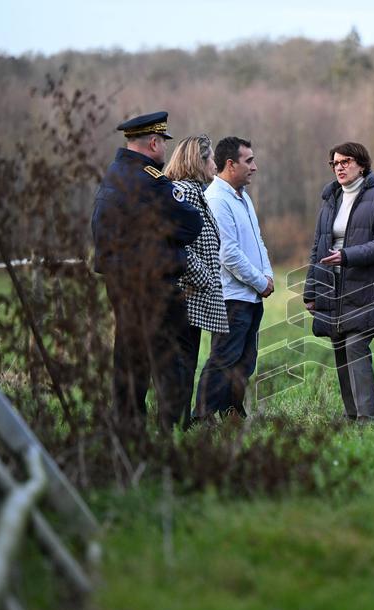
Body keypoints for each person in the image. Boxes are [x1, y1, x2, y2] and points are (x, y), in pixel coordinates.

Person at [90, 111, 203, 438]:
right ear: (153, 142)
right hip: (153, 285)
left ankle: (128, 428)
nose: (165, 149)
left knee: (129, 356)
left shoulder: (113, 175)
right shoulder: (149, 180)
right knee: (170, 358)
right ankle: (173, 429)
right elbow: (189, 224)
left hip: (120, 283)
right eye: (163, 143)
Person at [304, 142, 374, 423]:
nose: (340, 167)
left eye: (346, 161)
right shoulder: (329, 200)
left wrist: (346, 256)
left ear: (362, 164)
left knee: (356, 345)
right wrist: (310, 290)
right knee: (340, 347)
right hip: (331, 288)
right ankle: (351, 414)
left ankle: (367, 417)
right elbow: (317, 248)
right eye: (335, 163)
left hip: (365, 286)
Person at [195, 136, 274, 419]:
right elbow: (227, 253)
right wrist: (260, 281)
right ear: (230, 164)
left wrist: (267, 274)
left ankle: (231, 412)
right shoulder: (216, 198)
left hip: (250, 295)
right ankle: (202, 416)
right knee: (223, 358)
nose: (254, 167)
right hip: (231, 296)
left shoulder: (243, 196)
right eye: (248, 160)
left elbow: (257, 240)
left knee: (244, 361)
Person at [163, 135, 229, 429]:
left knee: (187, 361)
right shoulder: (184, 192)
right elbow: (177, 245)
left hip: (195, 295)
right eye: (211, 158)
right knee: (181, 362)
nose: (215, 164)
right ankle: (175, 424)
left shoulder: (195, 192)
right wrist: (203, 277)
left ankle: (180, 422)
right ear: (197, 161)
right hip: (187, 294)